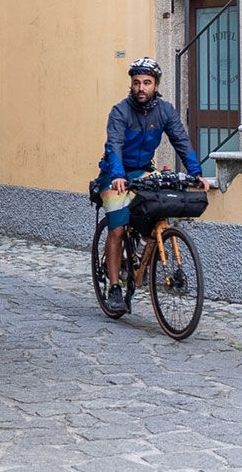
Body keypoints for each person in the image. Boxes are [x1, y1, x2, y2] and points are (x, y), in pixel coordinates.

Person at [96, 57, 209, 312]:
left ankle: (141, 250)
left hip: (144, 170)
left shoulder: (165, 111)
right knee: (117, 227)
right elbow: (113, 144)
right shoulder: (120, 111)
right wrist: (117, 174)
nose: (140, 88)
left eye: (146, 83)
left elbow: (180, 140)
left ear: (155, 85)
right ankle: (114, 287)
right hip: (115, 173)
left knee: (159, 207)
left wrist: (196, 172)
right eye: (136, 83)